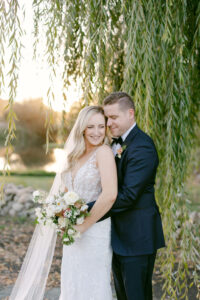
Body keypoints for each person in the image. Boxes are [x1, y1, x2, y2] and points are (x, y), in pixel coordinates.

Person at [10, 106, 117, 300]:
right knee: (72, 283)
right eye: (91, 126)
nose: (96, 132)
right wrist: (60, 217)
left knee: (93, 285)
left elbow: (109, 195)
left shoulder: (104, 152)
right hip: (73, 233)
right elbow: (66, 192)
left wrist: (83, 226)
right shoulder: (74, 155)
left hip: (95, 231)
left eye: (101, 126)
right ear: (82, 128)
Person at [87, 92, 165, 300]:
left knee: (137, 296)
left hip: (138, 237)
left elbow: (129, 195)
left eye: (113, 117)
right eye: (107, 117)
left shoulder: (142, 146)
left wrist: (87, 209)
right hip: (119, 236)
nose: (108, 123)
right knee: (123, 295)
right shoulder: (116, 143)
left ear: (130, 114)